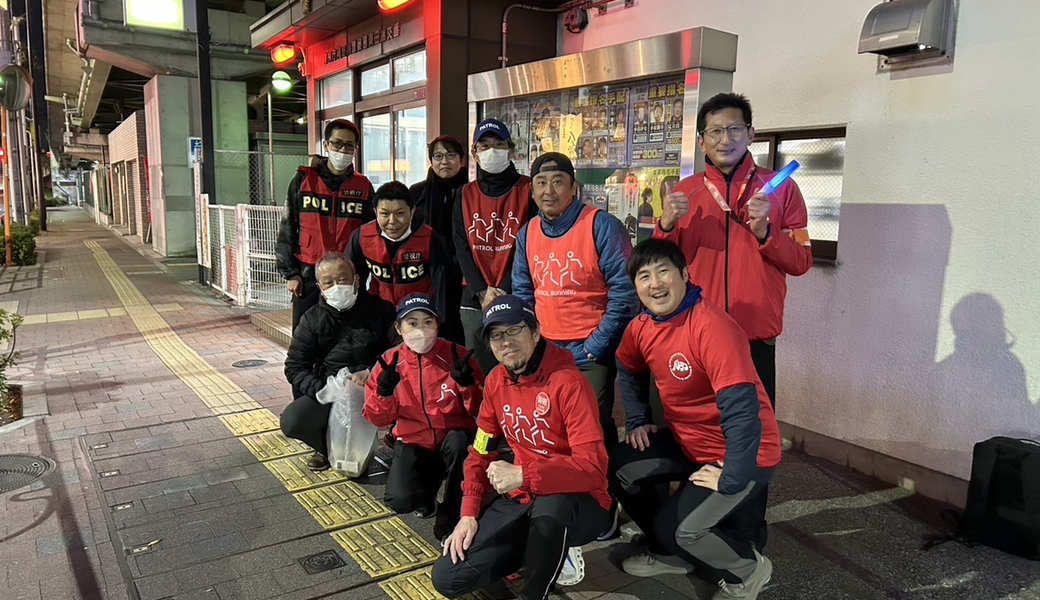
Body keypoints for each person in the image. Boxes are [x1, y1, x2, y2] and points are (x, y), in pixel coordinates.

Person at [609, 239, 779, 599]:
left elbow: (742, 413)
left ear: (685, 274)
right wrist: (637, 418)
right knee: (620, 465)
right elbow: (627, 364)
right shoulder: (642, 326)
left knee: (680, 529)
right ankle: (671, 554)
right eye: (644, 276)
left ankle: (748, 571)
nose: (655, 283)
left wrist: (731, 476)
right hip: (690, 444)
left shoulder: (712, 327)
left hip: (745, 455)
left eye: (664, 271)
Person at [431, 295, 612, 599]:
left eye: (514, 330)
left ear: (536, 332)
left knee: (553, 504)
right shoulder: (495, 382)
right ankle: (540, 550)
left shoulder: (570, 383)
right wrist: (468, 513)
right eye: (496, 335)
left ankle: (538, 585)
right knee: (448, 578)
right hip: (523, 498)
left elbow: (593, 469)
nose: (506, 342)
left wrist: (524, 475)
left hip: (580, 502)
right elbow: (481, 450)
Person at [654, 92, 812, 407]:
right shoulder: (685, 192)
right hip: (696, 331)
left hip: (755, 335)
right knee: (697, 423)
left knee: (752, 425)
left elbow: (802, 261)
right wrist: (666, 225)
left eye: (735, 129)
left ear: (751, 134)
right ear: (702, 141)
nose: (725, 139)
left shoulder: (783, 189)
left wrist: (766, 233)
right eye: (715, 131)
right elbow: (659, 265)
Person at [512, 152, 638, 450]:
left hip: (591, 352)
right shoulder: (527, 234)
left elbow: (625, 292)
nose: (549, 191)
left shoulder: (601, 225)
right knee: (550, 425)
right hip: (546, 350)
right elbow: (522, 293)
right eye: (541, 183)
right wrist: (532, 344)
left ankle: (604, 478)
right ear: (532, 190)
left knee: (592, 426)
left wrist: (596, 346)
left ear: (574, 187)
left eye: (558, 182)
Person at [364, 293, 484, 541]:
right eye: (412, 323)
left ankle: (451, 516)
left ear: (438, 325)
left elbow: (482, 410)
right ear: (399, 328)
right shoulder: (389, 362)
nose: (421, 330)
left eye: (428, 322)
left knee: (461, 443)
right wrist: (384, 393)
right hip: (412, 440)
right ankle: (426, 492)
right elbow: (377, 419)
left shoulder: (457, 355)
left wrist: (468, 385)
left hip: (453, 438)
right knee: (399, 500)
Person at [281, 252, 397, 471]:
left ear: (357, 280)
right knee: (292, 420)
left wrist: (373, 373)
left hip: (377, 387)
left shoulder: (382, 310)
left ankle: (403, 442)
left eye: (343, 280)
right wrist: (325, 389)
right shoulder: (312, 319)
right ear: (320, 288)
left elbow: (400, 350)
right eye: (329, 283)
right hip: (335, 389)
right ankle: (327, 447)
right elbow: (295, 367)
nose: (337, 287)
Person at [453, 118, 536, 374]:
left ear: (511, 150)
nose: (492, 151)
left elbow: (531, 245)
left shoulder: (529, 189)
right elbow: (461, 246)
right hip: (474, 298)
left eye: (499, 144)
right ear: (475, 153)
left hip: (516, 291)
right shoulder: (463, 194)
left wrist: (504, 290)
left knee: (519, 366)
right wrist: (481, 291)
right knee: (480, 372)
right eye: (485, 146)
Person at [277, 119, 375, 333]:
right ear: (326, 145)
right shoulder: (304, 180)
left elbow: (370, 234)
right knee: (306, 333)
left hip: (348, 275)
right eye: (337, 143)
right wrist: (290, 273)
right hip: (308, 274)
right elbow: (287, 226)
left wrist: (366, 274)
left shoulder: (364, 187)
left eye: (349, 146)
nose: (343, 150)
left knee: (346, 335)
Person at [348, 181, 452, 319]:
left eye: (400, 213)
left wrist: (441, 322)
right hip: (379, 313)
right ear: (375, 212)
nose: (392, 221)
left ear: (412, 211)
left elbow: (443, 288)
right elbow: (352, 278)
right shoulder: (362, 236)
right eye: (385, 214)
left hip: (420, 314)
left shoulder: (429, 238)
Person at [409, 135, 469, 256]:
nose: (444, 162)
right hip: (427, 257)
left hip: (465, 258)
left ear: (461, 159)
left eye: (451, 155)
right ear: (431, 161)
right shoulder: (416, 192)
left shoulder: (471, 191)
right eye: (438, 156)